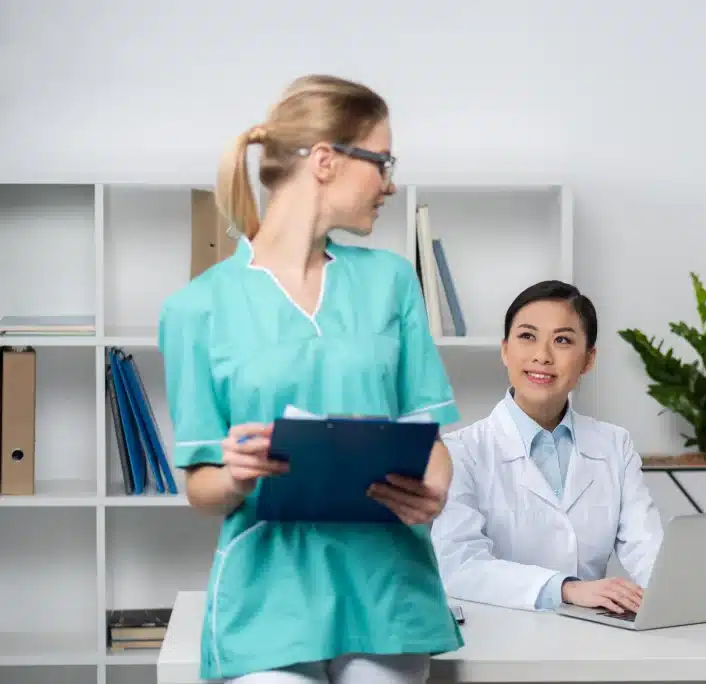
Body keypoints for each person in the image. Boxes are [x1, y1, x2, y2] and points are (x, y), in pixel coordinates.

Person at [158, 74, 462, 684]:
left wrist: (436, 487)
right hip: (268, 597)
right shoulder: (196, 308)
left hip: (386, 588)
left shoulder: (393, 282)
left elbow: (429, 438)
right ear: (326, 161)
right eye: (382, 161)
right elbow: (199, 486)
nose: (390, 183)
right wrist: (237, 477)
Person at [429, 280, 664, 614]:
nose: (542, 355)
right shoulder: (460, 451)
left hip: (590, 636)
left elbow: (649, 550)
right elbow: (460, 565)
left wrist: (677, 598)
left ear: (588, 360)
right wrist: (566, 589)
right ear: (505, 350)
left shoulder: (614, 445)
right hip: (498, 639)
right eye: (527, 336)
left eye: (563, 340)